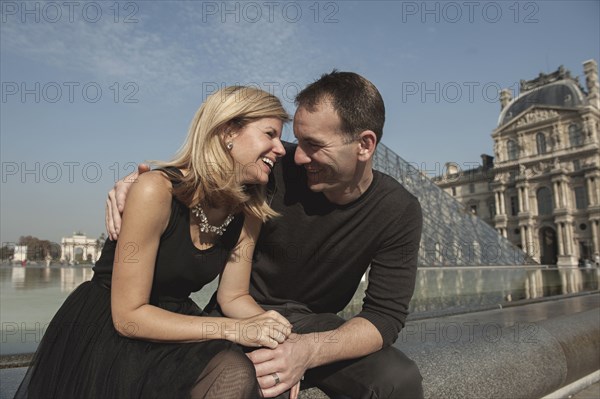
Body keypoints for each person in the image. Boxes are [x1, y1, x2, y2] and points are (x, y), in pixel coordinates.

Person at [107, 71, 424, 398]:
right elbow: (202, 169)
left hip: (313, 325)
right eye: (298, 140)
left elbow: (383, 318)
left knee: (398, 381)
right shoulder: (270, 165)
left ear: (364, 145)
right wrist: (138, 183)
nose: (297, 155)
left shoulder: (399, 210)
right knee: (233, 382)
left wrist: (306, 350)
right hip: (237, 313)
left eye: (313, 145)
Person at [16, 86, 297, 399]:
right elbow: (129, 317)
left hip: (176, 322)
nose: (280, 148)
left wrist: (278, 335)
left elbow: (233, 296)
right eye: (270, 133)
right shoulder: (155, 191)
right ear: (227, 131)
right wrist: (235, 330)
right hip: (109, 328)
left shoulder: (249, 212)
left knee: (238, 371)